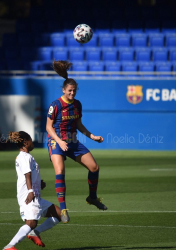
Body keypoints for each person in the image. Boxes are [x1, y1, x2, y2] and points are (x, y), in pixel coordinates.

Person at [46, 60, 108, 224]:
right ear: (63, 90)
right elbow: (48, 127)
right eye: (69, 91)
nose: (72, 93)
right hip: (56, 141)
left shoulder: (77, 105)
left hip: (72, 141)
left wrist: (92, 136)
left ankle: (92, 197)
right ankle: (64, 209)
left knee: (94, 167)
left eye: (74, 91)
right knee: (60, 171)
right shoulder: (56, 105)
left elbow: (79, 125)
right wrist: (59, 141)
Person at [3, 131, 62, 250]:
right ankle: (9, 247)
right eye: (30, 139)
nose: (32, 142)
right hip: (29, 196)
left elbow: (31, 175)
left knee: (59, 214)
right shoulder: (24, 157)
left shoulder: (27, 156)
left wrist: (39, 184)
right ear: (25, 143)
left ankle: (34, 233)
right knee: (31, 223)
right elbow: (27, 175)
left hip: (36, 196)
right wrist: (30, 191)